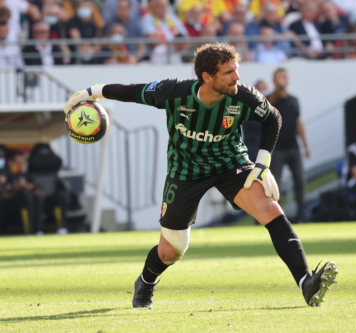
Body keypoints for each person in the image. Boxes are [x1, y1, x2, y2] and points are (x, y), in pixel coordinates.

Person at [63, 43, 338, 308]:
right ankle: (146, 282)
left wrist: (262, 163)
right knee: (172, 250)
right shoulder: (173, 92)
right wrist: (92, 91)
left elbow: (273, 118)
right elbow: (133, 91)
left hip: (230, 163)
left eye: (236, 69)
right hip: (185, 171)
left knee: (270, 209)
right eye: (229, 72)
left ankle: (305, 281)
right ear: (207, 77)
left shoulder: (243, 96)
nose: (237, 77)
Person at [268, 68, 310, 223]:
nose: (282, 80)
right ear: (273, 80)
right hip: (276, 149)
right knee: (275, 185)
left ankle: (302, 215)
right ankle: (276, 218)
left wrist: (306, 145)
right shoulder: (270, 99)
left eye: (284, 77)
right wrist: (278, 89)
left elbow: (299, 122)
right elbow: (270, 104)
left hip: (293, 147)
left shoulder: (294, 100)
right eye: (279, 77)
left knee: (300, 181)